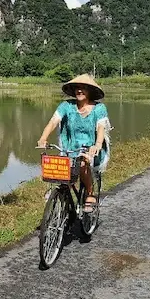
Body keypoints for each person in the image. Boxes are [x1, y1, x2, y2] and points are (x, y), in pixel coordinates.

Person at [36, 74, 111, 213]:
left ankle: (89, 193)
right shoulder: (66, 106)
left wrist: (97, 144)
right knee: (62, 169)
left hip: (91, 148)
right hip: (70, 147)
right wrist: (43, 138)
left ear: (90, 91)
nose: (79, 91)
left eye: (83, 88)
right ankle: (63, 195)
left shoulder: (99, 108)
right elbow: (53, 122)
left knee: (82, 164)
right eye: (77, 88)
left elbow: (101, 127)